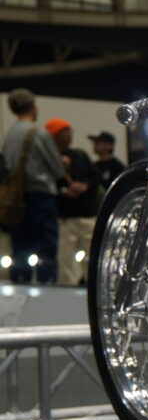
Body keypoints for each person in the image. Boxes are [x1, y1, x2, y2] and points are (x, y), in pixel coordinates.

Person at [2, 89, 82, 284]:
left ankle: (20, 284)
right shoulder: (38, 133)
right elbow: (56, 169)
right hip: (40, 196)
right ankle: (47, 286)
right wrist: (63, 163)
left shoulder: (10, 134)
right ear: (32, 106)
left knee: (20, 246)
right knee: (46, 246)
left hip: (16, 198)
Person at [49, 119, 100, 285]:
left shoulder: (79, 155)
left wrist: (85, 185)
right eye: (65, 131)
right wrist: (64, 191)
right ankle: (66, 289)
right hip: (65, 217)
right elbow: (47, 183)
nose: (70, 134)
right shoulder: (50, 158)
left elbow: (95, 176)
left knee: (91, 257)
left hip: (85, 214)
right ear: (56, 135)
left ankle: (92, 287)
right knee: (65, 259)